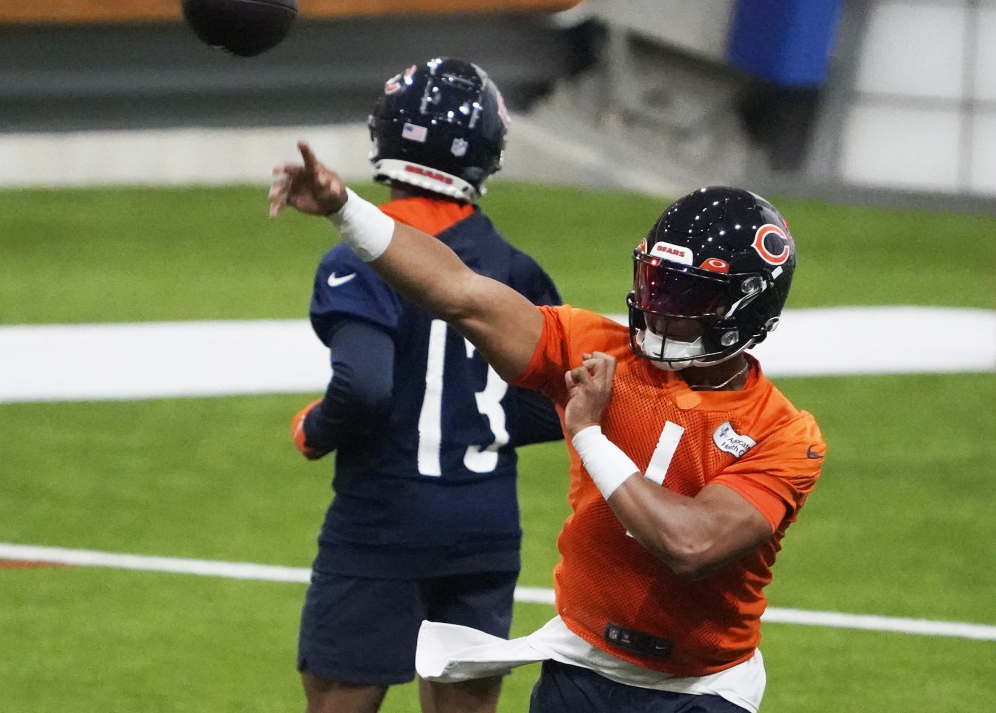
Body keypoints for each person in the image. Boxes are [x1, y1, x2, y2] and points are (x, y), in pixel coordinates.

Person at [269, 143, 827, 712]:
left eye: (689, 294)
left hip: (698, 690)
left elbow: (689, 543)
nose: (659, 309)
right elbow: (457, 292)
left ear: (750, 307)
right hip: (580, 668)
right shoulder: (594, 349)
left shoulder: (785, 436)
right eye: (657, 283)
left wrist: (589, 435)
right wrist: (345, 210)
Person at [286, 57, 564, 713]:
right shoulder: (517, 269)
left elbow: (363, 387)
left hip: (383, 519)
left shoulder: (358, 259)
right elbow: (557, 402)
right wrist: (476, 423)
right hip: (485, 524)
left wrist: (314, 430)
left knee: (337, 699)